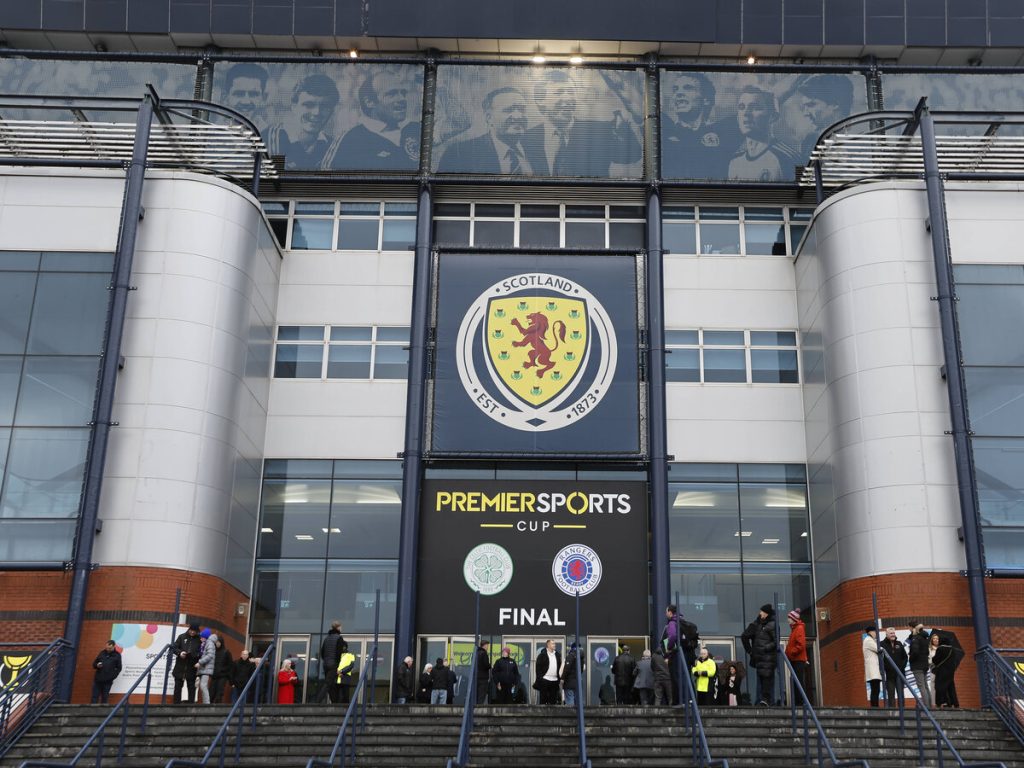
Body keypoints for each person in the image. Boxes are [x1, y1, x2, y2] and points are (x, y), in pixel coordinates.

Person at [527, 68, 641, 177]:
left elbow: (633, 155)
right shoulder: (527, 139)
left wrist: (630, 122)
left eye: (571, 92)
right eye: (559, 92)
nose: (567, 98)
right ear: (540, 100)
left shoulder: (600, 131)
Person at [437, 86, 547, 174]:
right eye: (509, 110)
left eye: (522, 110)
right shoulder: (460, 154)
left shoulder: (541, 149)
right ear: (489, 118)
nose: (518, 116)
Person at [326, 68, 420, 171]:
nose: (402, 99)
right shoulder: (350, 140)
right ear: (369, 102)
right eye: (392, 94)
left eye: (403, 93)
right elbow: (328, 179)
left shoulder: (418, 129)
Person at [660, 71, 739, 179]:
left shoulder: (724, 131)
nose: (679, 93)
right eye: (675, 89)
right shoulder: (663, 130)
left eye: (688, 88)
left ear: (706, 99)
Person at [266, 73, 340, 170]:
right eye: (309, 105)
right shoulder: (271, 139)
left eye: (325, 106)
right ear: (294, 106)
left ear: (332, 111)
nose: (316, 112)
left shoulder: (332, 146)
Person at [727, 86, 800, 182]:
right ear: (737, 118)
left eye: (755, 107)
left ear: (773, 117)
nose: (746, 113)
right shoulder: (735, 161)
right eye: (741, 107)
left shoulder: (788, 159)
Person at [795, 73, 854, 159]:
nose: (806, 113)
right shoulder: (810, 141)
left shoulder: (864, 139)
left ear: (834, 104)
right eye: (804, 107)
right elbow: (801, 170)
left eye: (811, 105)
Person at [741, 604, 777, 706]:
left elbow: (776, 642)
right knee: (763, 679)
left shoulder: (771, 625)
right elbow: (745, 636)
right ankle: (763, 701)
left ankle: (766, 700)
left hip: (767, 657)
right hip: (760, 657)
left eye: (761, 611)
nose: (760, 613)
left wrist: (764, 648)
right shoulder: (759, 624)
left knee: (766, 679)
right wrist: (751, 651)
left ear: (766, 613)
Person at [221, 62, 269, 133]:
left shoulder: (271, 136)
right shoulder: (209, 132)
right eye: (239, 94)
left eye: (253, 94)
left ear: (263, 98)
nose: (246, 102)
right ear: (225, 97)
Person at [171, 623, 201, 704]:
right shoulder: (182, 637)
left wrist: (195, 656)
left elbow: (201, 652)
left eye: (194, 631)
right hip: (180, 666)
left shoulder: (199, 640)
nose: (192, 632)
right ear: (189, 629)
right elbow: (174, 647)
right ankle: (176, 704)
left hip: (192, 666)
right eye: (191, 630)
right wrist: (180, 653)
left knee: (191, 686)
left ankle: (191, 705)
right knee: (178, 686)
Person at [785, 609, 810, 701]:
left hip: (798, 660)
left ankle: (800, 702)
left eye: (789, 618)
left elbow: (801, 645)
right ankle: (799, 701)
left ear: (793, 619)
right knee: (796, 681)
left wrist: (791, 652)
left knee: (798, 681)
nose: (788, 620)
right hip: (795, 660)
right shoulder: (795, 629)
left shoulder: (799, 628)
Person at [880, 627, 908, 707]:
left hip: (899, 674)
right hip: (889, 676)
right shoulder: (882, 644)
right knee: (891, 696)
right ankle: (893, 714)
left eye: (894, 633)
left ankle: (903, 713)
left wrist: (901, 667)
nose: (893, 635)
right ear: (887, 634)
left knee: (901, 696)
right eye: (891, 633)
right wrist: (886, 668)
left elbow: (905, 657)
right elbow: (880, 659)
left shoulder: (899, 643)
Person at [319, 620, 345, 703]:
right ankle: (317, 700)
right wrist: (337, 664)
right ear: (338, 627)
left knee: (331, 684)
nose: (341, 628)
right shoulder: (339, 638)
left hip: (326, 664)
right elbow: (338, 653)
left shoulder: (326, 638)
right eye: (341, 627)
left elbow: (322, 652)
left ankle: (334, 702)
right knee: (328, 683)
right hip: (333, 664)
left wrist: (326, 659)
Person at [907, 623, 931, 708]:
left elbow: (915, 652)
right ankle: (929, 706)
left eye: (909, 628)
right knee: (925, 686)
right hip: (924, 665)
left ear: (914, 629)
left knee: (921, 686)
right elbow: (927, 652)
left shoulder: (916, 638)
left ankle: (926, 707)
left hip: (917, 665)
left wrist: (910, 659)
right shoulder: (925, 638)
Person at [931, 632, 957, 707]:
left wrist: (933, 658)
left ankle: (940, 702)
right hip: (951, 671)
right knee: (951, 687)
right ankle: (954, 702)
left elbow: (935, 660)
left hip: (942, 671)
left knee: (939, 687)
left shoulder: (940, 648)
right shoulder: (952, 649)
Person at [91, 640, 122, 704]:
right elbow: (94, 664)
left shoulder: (117, 655)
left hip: (108, 681)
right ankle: (92, 712)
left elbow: (119, 668)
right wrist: (97, 665)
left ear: (113, 647)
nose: (108, 649)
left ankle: (103, 713)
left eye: (109, 648)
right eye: (107, 648)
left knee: (105, 697)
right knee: (94, 696)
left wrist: (112, 677)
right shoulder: (102, 653)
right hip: (98, 679)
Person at [534, 639, 561, 705]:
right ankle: (542, 714)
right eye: (552, 644)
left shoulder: (557, 655)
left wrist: (559, 678)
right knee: (543, 699)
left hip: (554, 680)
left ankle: (552, 714)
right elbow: (538, 668)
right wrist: (541, 678)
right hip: (545, 679)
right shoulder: (542, 655)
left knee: (553, 700)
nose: (554, 645)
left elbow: (559, 666)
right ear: (548, 645)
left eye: (554, 643)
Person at [862, 625, 882, 707]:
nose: (875, 633)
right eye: (874, 632)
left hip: (873, 669)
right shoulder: (868, 640)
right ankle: (874, 707)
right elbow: (879, 649)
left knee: (875, 689)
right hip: (872, 669)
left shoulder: (869, 640)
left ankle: (875, 706)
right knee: (875, 689)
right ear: (870, 632)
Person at [196, 629, 216, 704]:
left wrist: (200, 662)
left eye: (202, 637)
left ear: (205, 637)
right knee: (203, 686)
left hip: (206, 668)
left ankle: (207, 703)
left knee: (203, 686)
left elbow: (210, 655)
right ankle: (206, 703)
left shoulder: (209, 643)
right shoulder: (206, 644)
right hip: (205, 668)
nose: (200, 638)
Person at [560, 642, 583, 707]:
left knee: (570, 701)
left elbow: (566, 668)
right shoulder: (581, 657)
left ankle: (571, 716)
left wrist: (562, 678)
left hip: (569, 682)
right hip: (577, 683)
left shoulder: (571, 655)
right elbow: (581, 670)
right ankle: (576, 716)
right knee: (576, 701)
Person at [211, 636, 233, 704]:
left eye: (218, 642)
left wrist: (224, 671)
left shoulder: (226, 652)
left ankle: (217, 708)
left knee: (219, 692)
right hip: (214, 676)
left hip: (223, 676)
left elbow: (230, 665)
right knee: (211, 692)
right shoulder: (213, 652)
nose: (217, 644)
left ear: (221, 643)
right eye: (216, 642)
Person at [475, 640, 492, 704]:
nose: (488, 647)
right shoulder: (484, 653)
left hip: (477, 676)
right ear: (484, 645)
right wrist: (490, 666)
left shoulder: (476, 653)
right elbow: (486, 665)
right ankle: (479, 708)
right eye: (487, 645)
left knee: (476, 694)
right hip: (483, 677)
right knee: (482, 694)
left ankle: (475, 707)